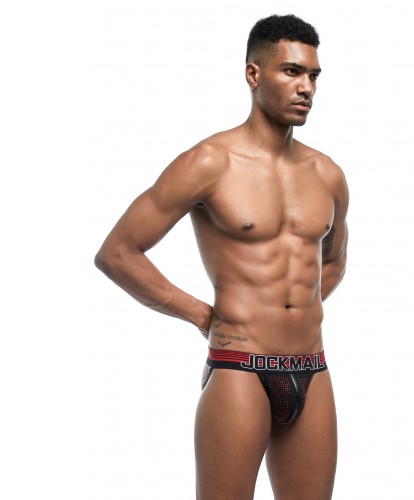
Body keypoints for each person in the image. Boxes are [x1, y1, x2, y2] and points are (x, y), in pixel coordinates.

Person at [95, 14, 348, 500]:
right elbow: (118, 253)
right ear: (254, 73)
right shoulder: (210, 162)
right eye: (291, 71)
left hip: (313, 369)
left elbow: (334, 260)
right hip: (239, 368)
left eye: (314, 75)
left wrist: (293, 310)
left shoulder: (328, 174)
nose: (307, 88)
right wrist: (200, 314)